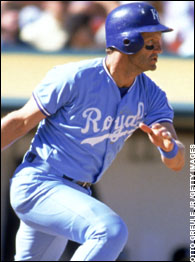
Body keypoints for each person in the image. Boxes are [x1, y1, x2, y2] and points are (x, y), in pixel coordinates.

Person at [1, 3, 185, 261]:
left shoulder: (151, 95)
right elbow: (20, 122)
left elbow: (176, 162)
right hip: (39, 183)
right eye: (151, 42)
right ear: (127, 40)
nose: (160, 49)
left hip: (73, 196)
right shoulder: (75, 77)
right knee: (109, 231)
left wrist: (169, 147)